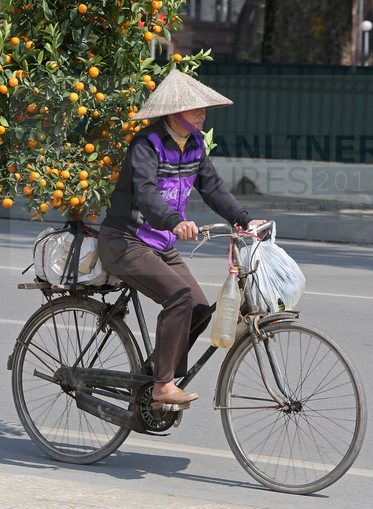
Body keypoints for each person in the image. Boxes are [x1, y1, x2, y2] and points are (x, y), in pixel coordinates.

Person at [97, 70, 265, 405]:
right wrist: (174, 221)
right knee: (179, 297)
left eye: (203, 109)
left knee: (200, 309)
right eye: (194, 109)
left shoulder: (194, 146)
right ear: (174, 113)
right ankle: (162, 386)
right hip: (125, 241)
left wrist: (244, 220)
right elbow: (144, 193)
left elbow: (213, 189)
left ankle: (152, 376)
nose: (202, 114)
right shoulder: (146, 145)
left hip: (160, 245)